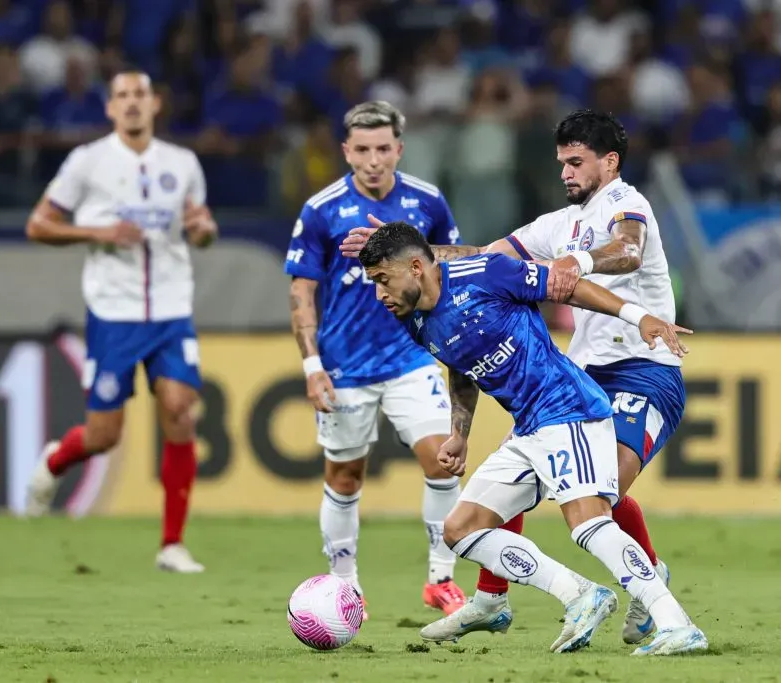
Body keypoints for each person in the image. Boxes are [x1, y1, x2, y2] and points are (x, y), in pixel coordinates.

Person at [341, 109, 685, 644]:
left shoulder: (626, 204)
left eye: (577, 162)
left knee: (604, 490)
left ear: (609, 162)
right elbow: (480, 260)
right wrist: (397, 248)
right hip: (586, 370)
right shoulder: (556, 225)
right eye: (561, 163)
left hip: (645, 367)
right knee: (519, 473)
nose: (566, 172)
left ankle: (649, 583)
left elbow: (627, 251)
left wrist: (576, 265)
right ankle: (491, 598)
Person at [23, 71, 217, 573]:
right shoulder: (87, 162)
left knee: (178, 409)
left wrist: (205, 231)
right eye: (122, 97)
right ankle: (53, 462)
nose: (132, 104)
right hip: (113, 312)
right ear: (110, 108)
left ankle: (171, 544)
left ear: (156, 104)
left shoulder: (183, 163)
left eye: (141, 96)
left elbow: (200, 231)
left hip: (172, 310)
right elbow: (38, 224)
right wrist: (99, 231)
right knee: (104, 435)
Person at [285, 101, 466, 619]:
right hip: (344, 367)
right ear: (346, 151)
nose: (373, 159)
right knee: (345, 477)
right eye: (362, 150)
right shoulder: (321, 209)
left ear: (398, 149)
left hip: (412, 356)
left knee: (443, 460)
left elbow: (451, 266)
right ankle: (345, 588)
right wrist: (311, 365)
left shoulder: (427, 201)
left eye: (383, 148)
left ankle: (441, 578)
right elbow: (302, 292)